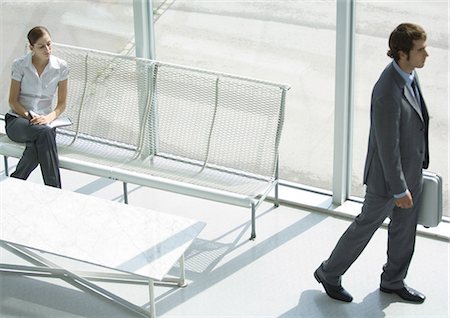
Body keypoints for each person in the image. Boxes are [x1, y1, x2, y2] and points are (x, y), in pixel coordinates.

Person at [314, 23, 430, 303]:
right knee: (365, 226)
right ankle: (329, 273)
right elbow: (386, 146)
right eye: (420, 49)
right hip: (388, 180)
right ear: (402, 53)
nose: (426, 54)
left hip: (410, 172)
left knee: (404, 231)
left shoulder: (409, 76)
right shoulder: (387, 90)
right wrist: (399, 189)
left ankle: (393, 280)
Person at [5, 26, 69, 188]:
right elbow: (13, 101)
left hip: (45, 123)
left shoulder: (61, 67)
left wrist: (47, 118)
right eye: (41, 46)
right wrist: (31, 117)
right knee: (44, 135)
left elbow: (61, 104)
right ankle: (54, 189)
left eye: (49, 44)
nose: (47, 49)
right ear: (31, 47)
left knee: (39, 140)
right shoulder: (20, 65)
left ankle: (15, 182)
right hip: (19, 120)